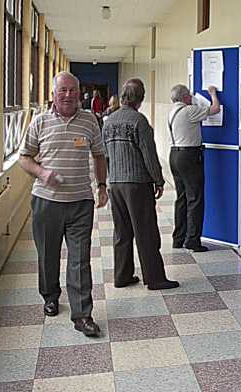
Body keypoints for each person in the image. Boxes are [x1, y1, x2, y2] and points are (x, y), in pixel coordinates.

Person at [18, 71, 108, 337]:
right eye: (63, 91)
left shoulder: (90, 121)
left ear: (79, 92)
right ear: (53, 94)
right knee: (48, 254)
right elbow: (24, 158)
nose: (68, 95)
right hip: (47, 202)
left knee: (80, 260)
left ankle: (82, 315)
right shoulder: (40, 122)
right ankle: (50, 295)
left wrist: (102, 186)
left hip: (81, 201)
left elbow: (99, 155)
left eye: (73, 90)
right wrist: (42, 173)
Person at [102, 78, 179, 290]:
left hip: (115, 183)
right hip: (137, 184)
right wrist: (158, 179)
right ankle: (155, 278)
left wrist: (109, 179)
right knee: (146, 232)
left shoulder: (108, 121)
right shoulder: (139, 121)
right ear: (141, 98)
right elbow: (149, 154)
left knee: (122, 232)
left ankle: (122, 275)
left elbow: (105, 154)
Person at [168, 84, 220, 252]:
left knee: (181, 198)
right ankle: (193, 241)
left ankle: (178, 238)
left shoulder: (172, 112)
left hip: (175, 155)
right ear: (185, 97)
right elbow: (215, 109)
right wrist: (213, 94)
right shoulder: (189, 111)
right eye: (189, 95)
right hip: (190, 156)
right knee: (195, 199)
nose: (191, 97)